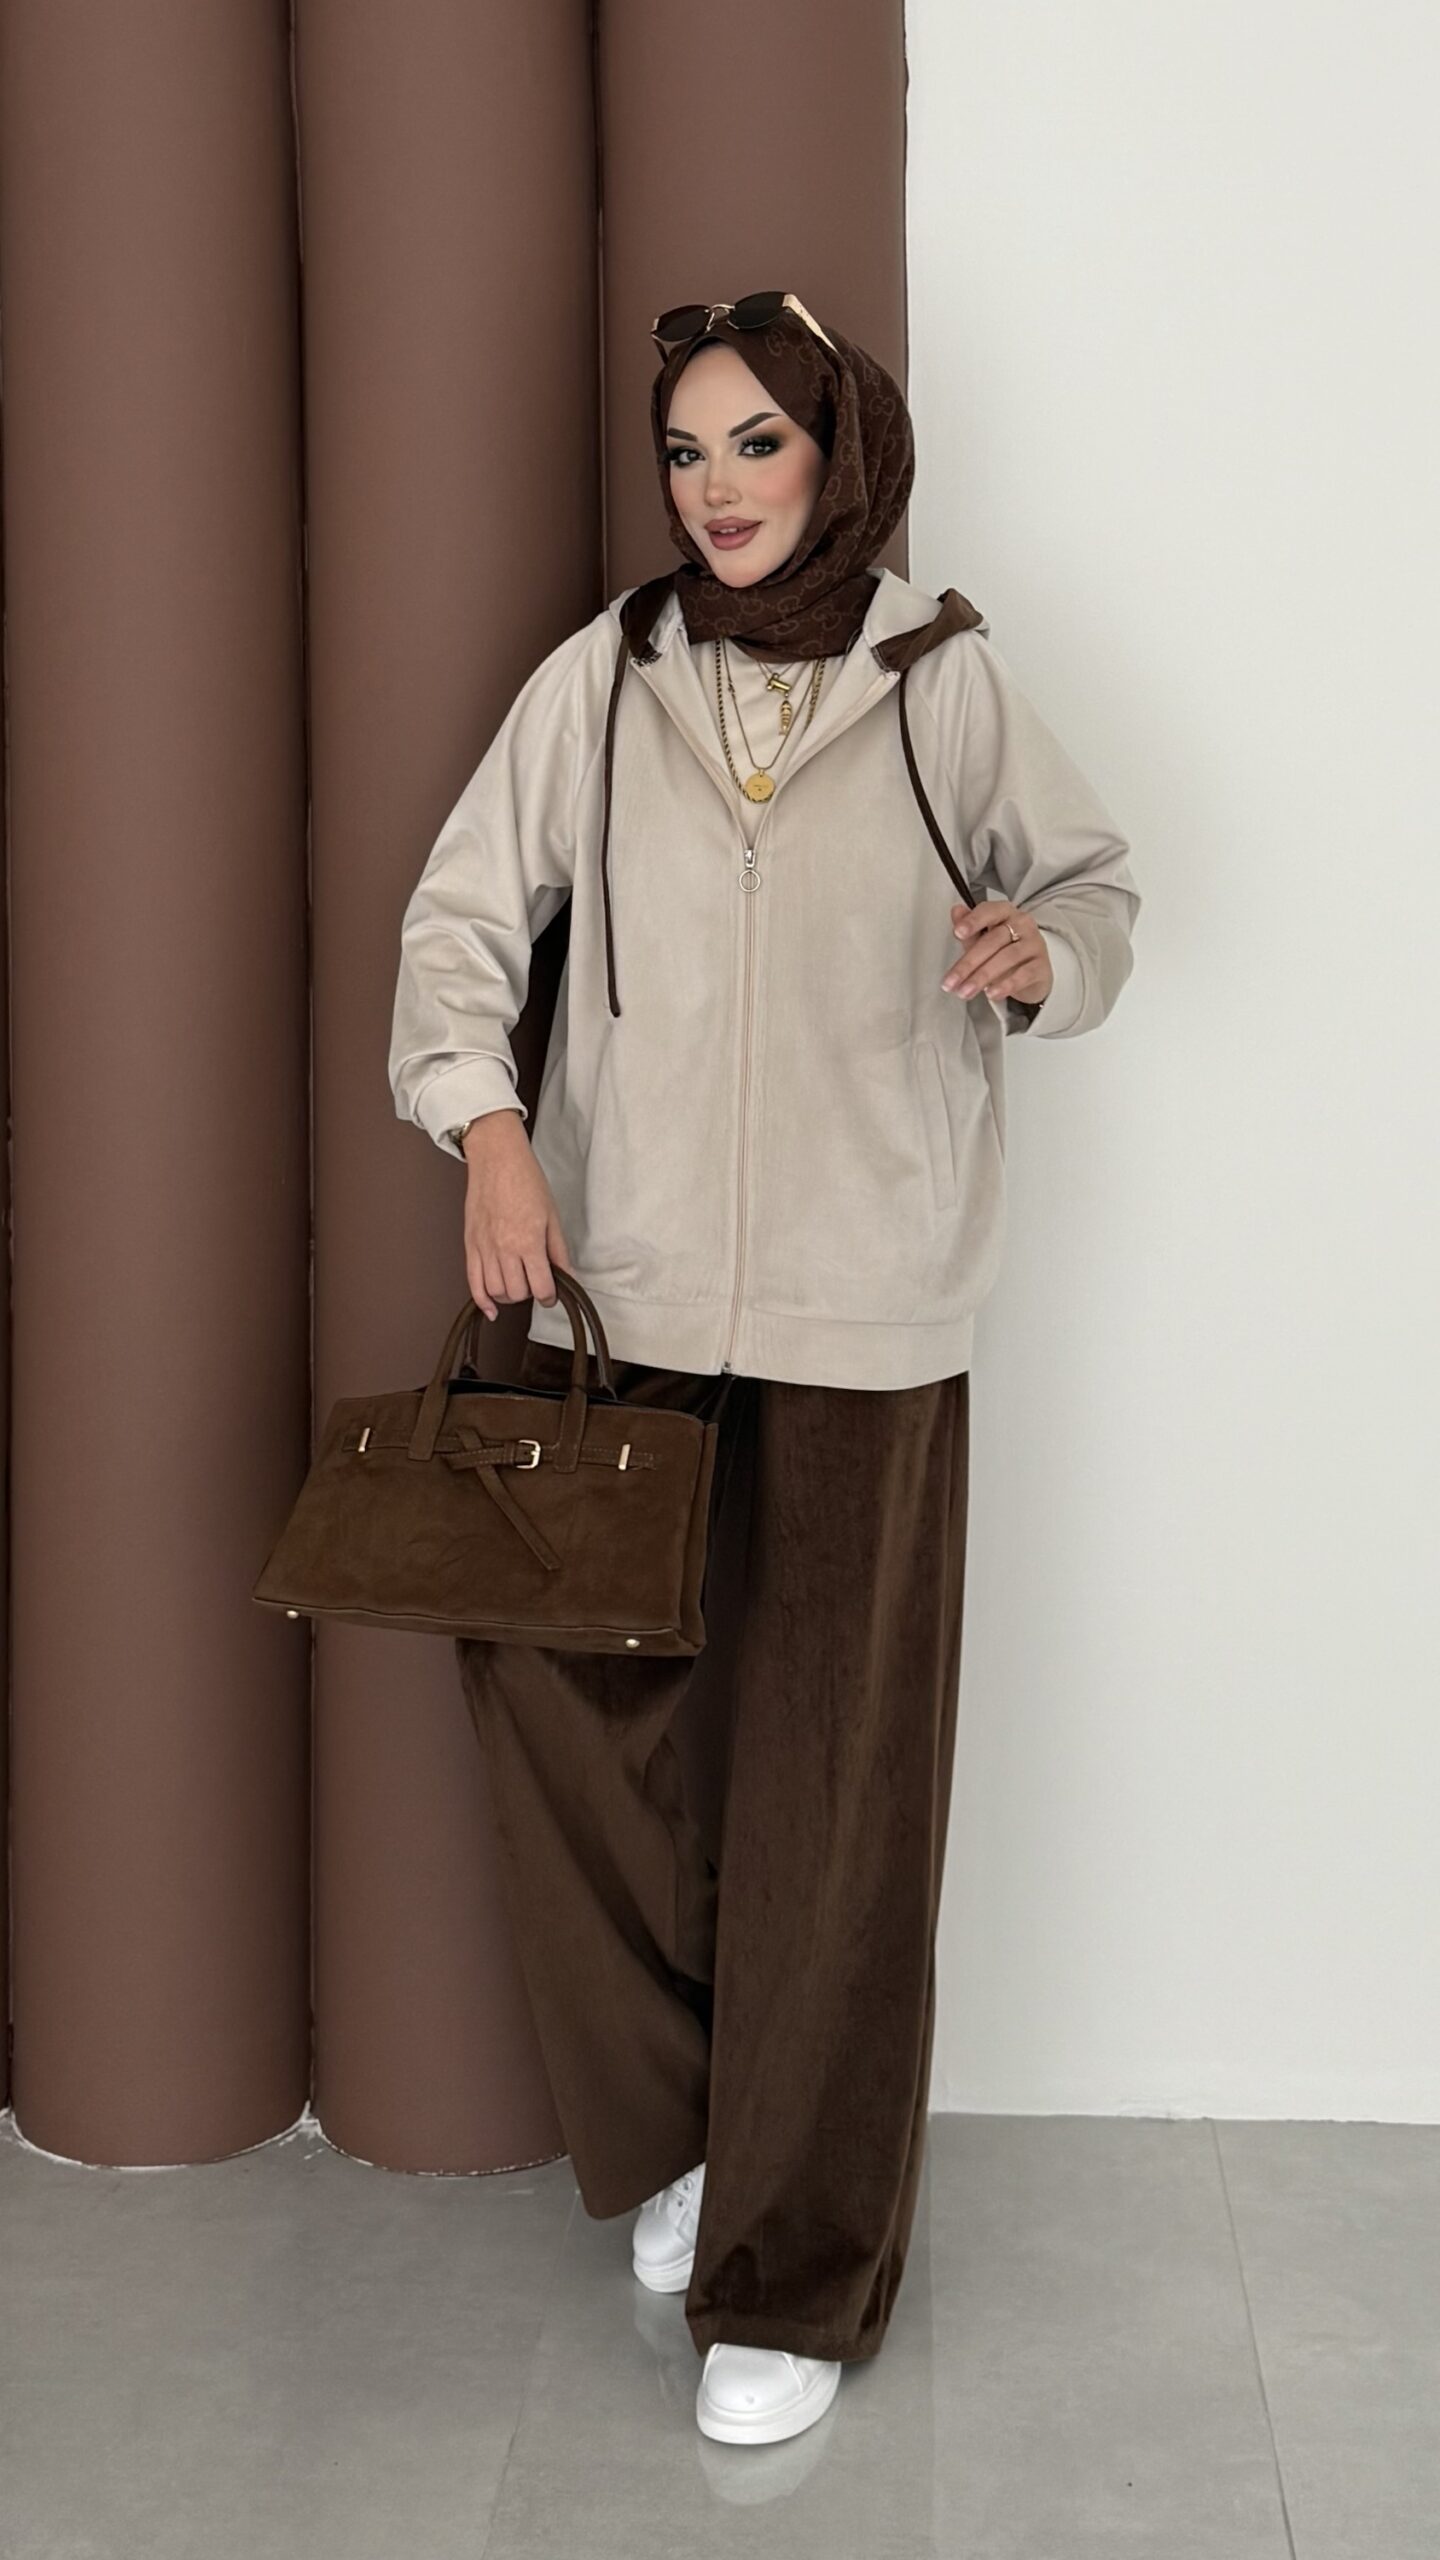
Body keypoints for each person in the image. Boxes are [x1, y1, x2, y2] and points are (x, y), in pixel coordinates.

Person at [388, 291, 1140, 2446]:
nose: (716, 489)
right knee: (573, 1713)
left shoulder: (938, 676)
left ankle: (796, 2271)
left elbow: (1096, 891)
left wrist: (1041, 954)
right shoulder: (606, 676)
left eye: (757, 444)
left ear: (840, 452)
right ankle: (699, 2127)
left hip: (868, 1305)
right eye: (686, 450)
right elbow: (463, 923)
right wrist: (491, 1128)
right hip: (622, 1297)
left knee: (834, 1787)